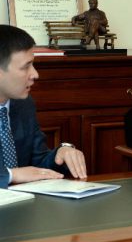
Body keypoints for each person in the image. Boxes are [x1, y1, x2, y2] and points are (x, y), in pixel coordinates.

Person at [0, 25, 87, 188]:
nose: (35, 74)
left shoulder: (24, 104)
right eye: (26, 67)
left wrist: (60, 154)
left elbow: (37, 163)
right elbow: (21, 173)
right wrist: (12, 175)